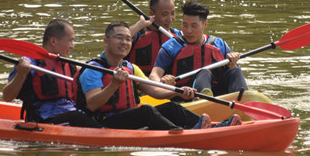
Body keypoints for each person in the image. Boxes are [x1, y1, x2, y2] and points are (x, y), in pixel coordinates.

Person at [76, 21, 241, 130]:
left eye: (128, 39)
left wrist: (176, 91)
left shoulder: (130, 67)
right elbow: (92, 105)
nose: (125, 43)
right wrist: (113, 85)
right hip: (103, 122)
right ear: (106, 41)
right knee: (146, 111)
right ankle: (182, 134)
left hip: (129, 117)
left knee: (170, 107)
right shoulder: (94, 69)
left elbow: (155, 92)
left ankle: (213, 127)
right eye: (119, 38)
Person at [2, 19, 102, 128]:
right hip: (43, 120)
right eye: (70, 41)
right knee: (76, 117)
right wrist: (21, 74)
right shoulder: (30, 63)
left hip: (71, 113)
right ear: (53, 41)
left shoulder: (68, 64)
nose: (72, 46)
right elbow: (7, 97)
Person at [150, 0, 248, 96]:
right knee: (204, 72)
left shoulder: (220, 44)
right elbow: (154, 75)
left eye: (194, 26)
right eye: (185, 25)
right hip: (186, 96)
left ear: (205, 24)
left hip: (217, 94)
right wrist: (162, 82)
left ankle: (243, 99)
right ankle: (203, 100)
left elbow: (233, 75)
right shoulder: (171, 46)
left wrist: (233, 63)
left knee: (236, 71)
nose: (188, 31)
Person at [127, 0, 179, 75]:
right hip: (140, 82)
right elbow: (117, 42)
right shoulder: (138, 34)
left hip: (168, 82)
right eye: (165, 14)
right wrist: (139, 25)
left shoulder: (178, 35)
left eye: (172, 13)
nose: (170, 19)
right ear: (151, 13)